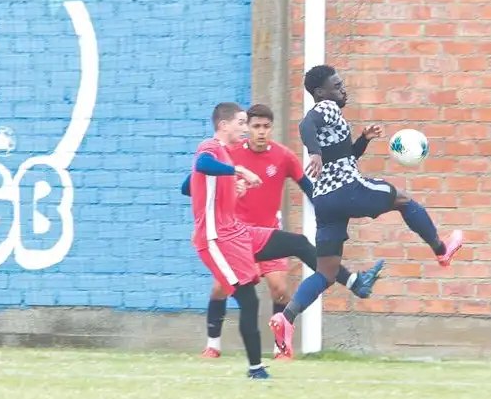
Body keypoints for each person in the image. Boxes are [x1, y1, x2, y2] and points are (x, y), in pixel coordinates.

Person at [272, 65, 464, 358]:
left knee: (326, 272)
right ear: (321, 93)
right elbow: (305, 125)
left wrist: (362, 139)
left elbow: (344, 156)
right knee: (402, 200)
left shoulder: (333, 117)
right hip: (347, 190)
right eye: (337, 86)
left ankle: (285, 319)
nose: (342, 90)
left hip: (324, 200)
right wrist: (313, 152)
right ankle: (441, 249)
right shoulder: (326, 107)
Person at [189, 103, 382, 378]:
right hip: (221, 239)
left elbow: (194, 182)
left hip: (247, 234)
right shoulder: (216, 149)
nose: (250, 130)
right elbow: (199, 169)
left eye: (259, 125)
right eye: (245, 124)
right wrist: (238, 174)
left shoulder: (276, 156)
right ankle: (225, 352)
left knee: (298, 248)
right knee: (234, 294)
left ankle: (354, 283)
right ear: (225, 125)